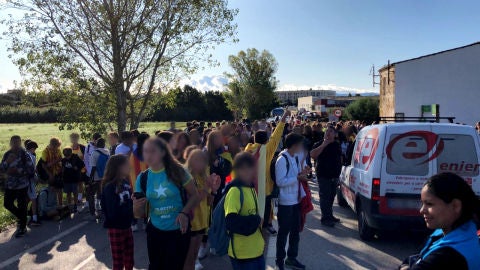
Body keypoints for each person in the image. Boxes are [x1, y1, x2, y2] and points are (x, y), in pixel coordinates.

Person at [132, 138, 199, 270]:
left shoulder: (178, 171)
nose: (148, 155)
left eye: (152, 151)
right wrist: (136, 207)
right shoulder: (143, 178)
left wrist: (184, 212)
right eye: (145, 152)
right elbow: (139, 214)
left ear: (163, 152)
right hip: (155, 232)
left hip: (178, 231)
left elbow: (195, 196)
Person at [399, 172, 480, 270]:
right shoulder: (454, 232)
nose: (421, 210)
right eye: (422, 203)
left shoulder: (448, 257)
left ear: (455, 206)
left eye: (429, 204)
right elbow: (417, 258)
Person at [245, 110, 289, 235]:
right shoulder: (267, 149)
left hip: (250, 187)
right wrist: (284, 117)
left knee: (253, 207)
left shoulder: (247, 150)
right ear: (266, 141)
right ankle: (267, 225)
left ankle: (255, 226)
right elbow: (277, 135)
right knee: (267, 207)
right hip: (265, 187)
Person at [224, 152, 265, 270]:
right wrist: (256, 220)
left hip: (257, 251)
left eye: (250, 168)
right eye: (243, 169)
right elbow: (231, 222)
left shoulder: (250, 188)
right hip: (243, 255)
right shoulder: (235, 191)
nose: (248, 172)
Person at [275, 133, 308, 270]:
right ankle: (280, 261)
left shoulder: (294, 157)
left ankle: (292, 258)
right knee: (283, 233)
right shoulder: (282, 160)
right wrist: (298, 178)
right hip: (285, 203)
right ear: (294, 145)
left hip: (296, 200)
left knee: (295, 232)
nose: (302, 147)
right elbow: (280, 181)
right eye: (300, 144)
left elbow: (297, 175)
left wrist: (305, 173)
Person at [184, 150, 220, 270]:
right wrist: (207, 187)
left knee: (194, 255)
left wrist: (214, 190)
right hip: (192, 223)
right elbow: (194, 201)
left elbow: (208, 202)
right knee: (188, 258)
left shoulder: (204, 175)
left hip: (202, 221)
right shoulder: (187, 178)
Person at [101, 155, 135, 270]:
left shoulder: (125, 182)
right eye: (127, 164)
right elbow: (112, 211)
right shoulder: (109, 187)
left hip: (127, 225)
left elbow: (129, 201)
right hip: (116, 227)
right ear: (118, 167)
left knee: (129, 259)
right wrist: (131, 209)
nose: (130, 166)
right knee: (118, 262)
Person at [1, 136, 35, 237]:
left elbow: (31, 169)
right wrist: (7, 163)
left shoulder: (25, 155)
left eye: (17, 142)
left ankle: (22, 227)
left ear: (20, 143)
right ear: (10, 143)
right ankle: (22, 218)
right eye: (13, 142)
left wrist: (18, 172)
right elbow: (1, 168)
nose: (15, 144)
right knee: (7, 204)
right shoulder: (7, 154)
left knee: (22, 205)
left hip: (22, 185)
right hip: (10, 185)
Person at [310, 125, 342, 227]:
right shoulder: (318, 144)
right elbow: (313, 155)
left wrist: (339, 173)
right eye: (326, 131)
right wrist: (324, 145)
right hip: (323, 175)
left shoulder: (337, 145)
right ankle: (325, 218)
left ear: (334, 134)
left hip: (335, 175)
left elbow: (340, 158)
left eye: (330, 132)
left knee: (332, 196)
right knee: (325, 197)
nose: (328, 133)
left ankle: (330, 215)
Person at [129, 132, 150, 232]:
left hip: (135, 181)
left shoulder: (133, 154)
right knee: (147, 200)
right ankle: (146, 222)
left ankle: (134, 223)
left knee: (136, 201)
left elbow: (129, 168)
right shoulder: (149, 153)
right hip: (147, 180)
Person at [206, 130, 233, 207]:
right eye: (216, 139)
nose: (218, 141)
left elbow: (228, 174)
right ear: (211, 141)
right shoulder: (206, 155)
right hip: (210, 190)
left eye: (219, 138)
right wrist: (214, 166)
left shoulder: (226, 154)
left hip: (223, 189)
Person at [88, 138, 110, 219]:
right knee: (102, 193)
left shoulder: (94, 153)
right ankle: (103, 210)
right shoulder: (107, 152)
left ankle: (93, 213)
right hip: (105, 176)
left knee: (91, 194)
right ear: (104, 144)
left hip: (96, 177)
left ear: (96, 144)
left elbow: (93, 167)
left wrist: (91, 178)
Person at [41, 137, 63, 208]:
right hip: (50, 173)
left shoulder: (58, 150)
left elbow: (61, 160)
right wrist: (49, 174)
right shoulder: (45, 151)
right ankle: (54, 206)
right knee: (52, 190)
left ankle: (60, 205)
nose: (57, 148)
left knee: (60, 189)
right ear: (52, 145)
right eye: (56, 147)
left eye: (58, 147)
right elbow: (44, 165)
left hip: (58, 172)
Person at [61, 147, 85, 213]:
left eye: (68, 156)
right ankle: (69, 206)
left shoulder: (75, 158)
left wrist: (77, 167)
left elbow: (82, 164)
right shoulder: (63, 160)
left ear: (71, 154)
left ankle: (75, 205)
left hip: (74, 179)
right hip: (66, 179)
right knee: (68, 193)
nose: (67, 157)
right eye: (65, 156)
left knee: (75, 192)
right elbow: (62, 168)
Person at [25, 140, 41, 226]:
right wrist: (37, 179)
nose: (34, 151)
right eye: (34, 149)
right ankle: (34, 218)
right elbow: (34, 170)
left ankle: (22, 217)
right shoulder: (32, 157)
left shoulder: (21, 155)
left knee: (25, 199)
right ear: (32, 148)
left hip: (22, 182)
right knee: (34, 199)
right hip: (30, 181)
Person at [70, 133, 87, 207]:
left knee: (81, 184)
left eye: (74, 138)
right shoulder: (69, 148)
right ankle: (76, 199)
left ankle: (80, 199)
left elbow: (86, 158)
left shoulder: (82, 147)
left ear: (77, 139)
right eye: (71, 138)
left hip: (82, 169)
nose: (72, 140)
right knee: (75, 184)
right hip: (73, 170)